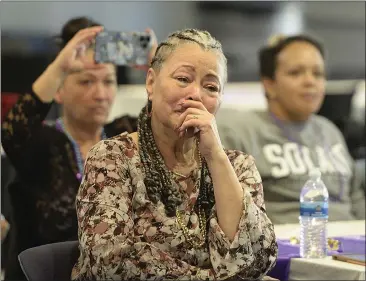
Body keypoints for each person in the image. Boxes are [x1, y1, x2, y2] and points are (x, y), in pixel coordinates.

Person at [71, 28, 278, 280]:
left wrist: (215, 157)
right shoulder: (112, 158)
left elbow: (257, 260)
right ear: (151, 83)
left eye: (211, 87)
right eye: (182, 79)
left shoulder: (238, 166)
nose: (195, 94)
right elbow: (109, 260)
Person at [1, 17, 157, 280]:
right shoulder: (40, 142)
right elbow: (14, 130)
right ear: (59, 90)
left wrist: (157, 62)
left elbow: (166, 120)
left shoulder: (125, 134)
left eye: (108, 82)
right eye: (86, 82)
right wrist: (61, 65)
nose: (100, 94)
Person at [217, 34, 366, 224]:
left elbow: (356, 200)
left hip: (350, 244)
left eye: (318, 73)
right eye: (296, 73)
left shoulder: (330, 131)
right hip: (290, 246)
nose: (310, 81)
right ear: (269, 84)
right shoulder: (239, 131)